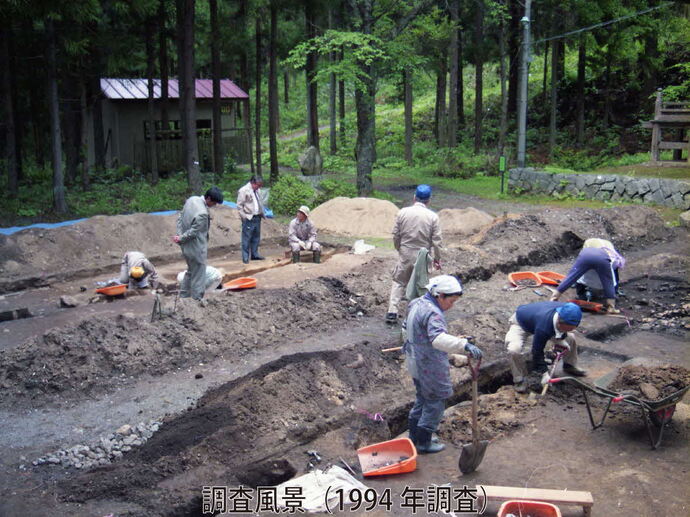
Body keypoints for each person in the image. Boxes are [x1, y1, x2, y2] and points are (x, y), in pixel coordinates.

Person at [403, 275, 483, 454]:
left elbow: (406, 327)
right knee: (435, 402)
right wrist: (464, 345)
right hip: (428, 364)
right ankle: (424, 442)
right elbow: (438, 338)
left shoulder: (416, 303)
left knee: (422, 399)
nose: (452, 305)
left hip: (414, 359)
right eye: (451, 301)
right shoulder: (433, 312)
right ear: (440, 295)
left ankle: (414, 437)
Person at [386, 184, 443, 324]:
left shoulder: (402, 213)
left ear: (414, 198)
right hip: (423, 254)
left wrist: (399, 248)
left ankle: (392, 312)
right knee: (421, 284)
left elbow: (396, 234)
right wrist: (437, 258)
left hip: (406, 251)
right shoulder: (433, 217)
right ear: (429, 200)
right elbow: (437, 241)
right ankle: (414, 314)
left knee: (399, 280)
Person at [505, 301, 585, 394]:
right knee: (514, 350)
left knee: (571, 338)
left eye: (570, 329)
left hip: (541, 321)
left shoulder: (569, 311)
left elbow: (563, 330)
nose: (567, 330)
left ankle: (570, 365)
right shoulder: (544, 326)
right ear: (559, 322)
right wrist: (544, 373)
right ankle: (519, 380)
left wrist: (562, 338)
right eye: (565, 329)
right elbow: (537, 351)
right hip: (522, 322)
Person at [173, 186, 223, 301]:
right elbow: (193, 233)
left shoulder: (191, 200)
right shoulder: (203, 214)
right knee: (198, 276)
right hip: (196, 248)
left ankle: (184, 297)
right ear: (209, 198)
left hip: (186, 247)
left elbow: (180, 217)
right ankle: (197, 300)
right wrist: (181, 238)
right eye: (214, 203)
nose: (214, 205)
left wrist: (179, 235)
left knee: (190, 272)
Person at [551, 238, 625, 313]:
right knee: (608, 281)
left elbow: (572, 276)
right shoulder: (614, 255)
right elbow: (609, 279)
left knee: (573, 276)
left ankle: (555, 296)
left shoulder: (588, 245)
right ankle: (611, 306)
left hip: (585, 255)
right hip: (603, 259)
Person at [237, 175, 265, 264]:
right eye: (258, 185)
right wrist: (244, 217)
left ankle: (255, 254)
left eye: (260, 185)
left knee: (256, 237)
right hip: (249, 217)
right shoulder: (243, 190)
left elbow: (260, 202)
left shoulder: (258, 190)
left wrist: (262, 213)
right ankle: (245, 257)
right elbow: (239, 205)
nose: (259, 187)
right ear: (253, 183)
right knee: (246, 238)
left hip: (257, 216)